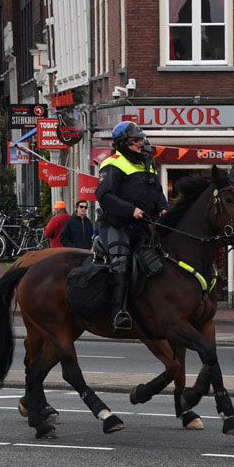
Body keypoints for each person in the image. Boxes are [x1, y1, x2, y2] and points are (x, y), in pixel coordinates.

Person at [96, 120, 168, 332]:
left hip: (144, 226)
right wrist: (130, 210)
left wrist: (163, 208)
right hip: (116, 224)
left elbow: (156, 192)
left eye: (140, 139)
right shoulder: (112, 164)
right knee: (121, 261)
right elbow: (104, 195)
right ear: (121, 143)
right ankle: (118, 313)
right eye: (135, 140)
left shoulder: (148, 163)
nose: (140, 143)